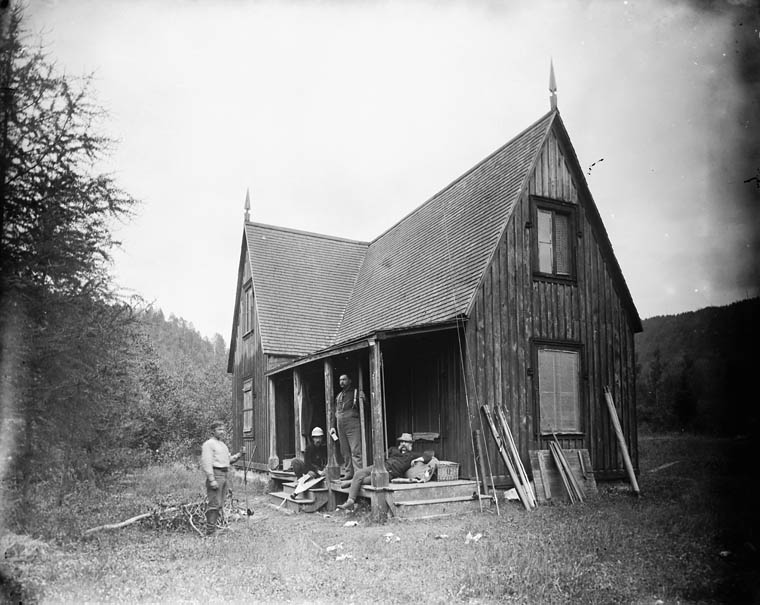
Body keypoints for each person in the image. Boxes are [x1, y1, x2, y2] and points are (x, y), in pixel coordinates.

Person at [337, 432, 433, 511]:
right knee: (359, 473)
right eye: (402, 442)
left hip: (388, 473)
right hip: (379, 466)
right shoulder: (392, 449)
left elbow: (429, 455)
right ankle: (350, 500)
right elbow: (381, 457)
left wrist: (419, 459)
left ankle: (350, 491)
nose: (403, 444)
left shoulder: (412, 455)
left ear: (411, 444)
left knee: (366, 480)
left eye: (406, 442)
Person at [201, 421, 244, 534]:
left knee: (220, 504)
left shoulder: (223, 445)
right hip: (216, 475)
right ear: (212, 431)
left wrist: (239, 454)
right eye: (219, 430)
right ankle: (210, 531)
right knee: (214, 503)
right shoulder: (209, 444)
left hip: (225, 474)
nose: (222, 432)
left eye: (223, 429)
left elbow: (228, 460)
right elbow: (206, 462)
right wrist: (211, 479)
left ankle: (215, 527)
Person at [334, 374, 367, 480]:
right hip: (340, 423)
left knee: (355, 450)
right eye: (340, 380)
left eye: (344, 379)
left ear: (349, 381)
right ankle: (349, 473)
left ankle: (358, 474)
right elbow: (336, 411)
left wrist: (364, 399)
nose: (341, 382)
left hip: (352, 423)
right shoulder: (339, 395)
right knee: (344, 450)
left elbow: (366, 408)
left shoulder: (356, 393)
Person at [290, 427, 328, 496]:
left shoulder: (323, 448)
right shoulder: (309, 448)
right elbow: (307, 462)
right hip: (310, 469)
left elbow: (325, 461)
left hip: (319, 472)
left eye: (319, 438)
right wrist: (312, 470)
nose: (318, 440)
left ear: (322, 438)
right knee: (295, 461)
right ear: (313, 438)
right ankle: (299, 482)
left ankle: (298, 489)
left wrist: (324, 469)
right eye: (316, 438)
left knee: (311, 480)